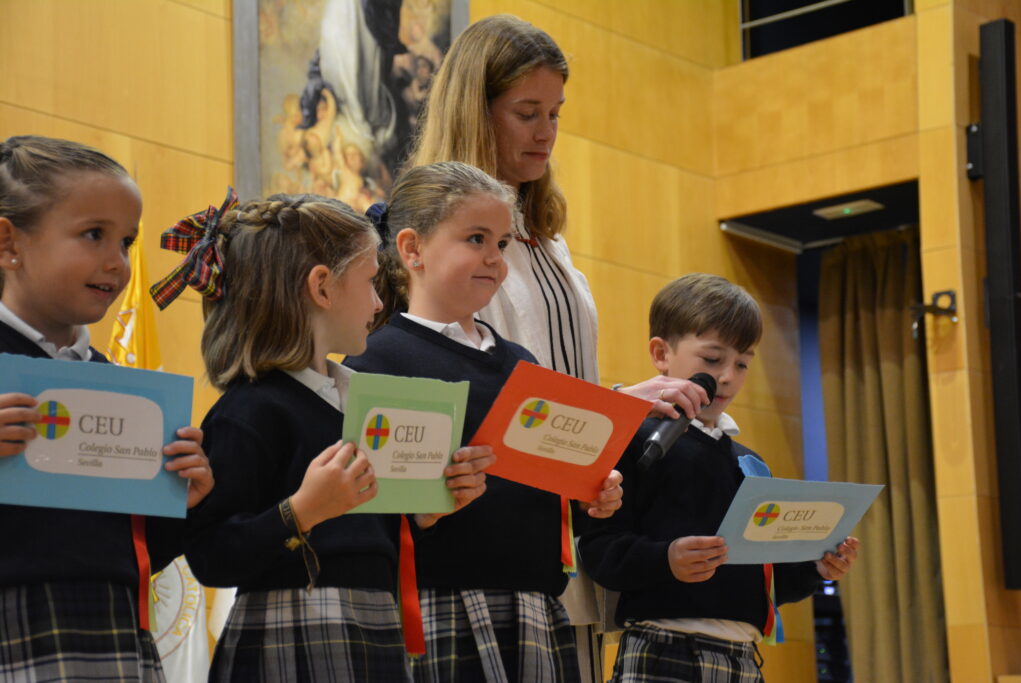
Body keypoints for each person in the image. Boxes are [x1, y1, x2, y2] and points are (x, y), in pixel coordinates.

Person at [406, 14, 712, 677]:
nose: (546, 131)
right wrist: (618, 404)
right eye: (526, 112)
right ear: (474, 112)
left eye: (555, 112)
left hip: (569, 518)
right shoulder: (439, 245)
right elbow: (479, 387)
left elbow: (559, 379)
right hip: (484, 533)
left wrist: (619, 414)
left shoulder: (550, 240)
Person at [166, 191, 492, 681]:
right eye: (369, 283)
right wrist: (299, 512)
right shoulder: (249, 412)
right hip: (289, 636)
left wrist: (423, 514)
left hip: (372, 628)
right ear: (322, 287)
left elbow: (365, 545)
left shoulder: (357, 405)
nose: (380, 303)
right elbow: (211, 557)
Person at [344, 161, 624, 682]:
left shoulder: (524, 366)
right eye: (476, 239)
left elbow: (546, 501)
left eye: (501, 243)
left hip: (539, 609)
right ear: (412, 249)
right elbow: (360, 518)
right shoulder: (376, 362)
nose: (495, 260)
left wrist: (589, 499)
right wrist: (423, 514)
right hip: (438, 609)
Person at [0, 134, 213, 682]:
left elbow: (127, 549)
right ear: (8, 244)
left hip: (114, 629)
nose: (116, 262)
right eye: (93, 234)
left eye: (126, 241)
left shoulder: (123, 389)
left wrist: (178, 504)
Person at [578, 273, 861, 682]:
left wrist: (817, 567)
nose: (727, 375)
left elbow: (761, 575)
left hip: (743, 654)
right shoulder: (634, 439)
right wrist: (666, 558)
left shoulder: (750, 463)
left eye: (742, 362)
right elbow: (601, 549)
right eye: (712, 360)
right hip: (663, 644)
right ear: (661, 354)